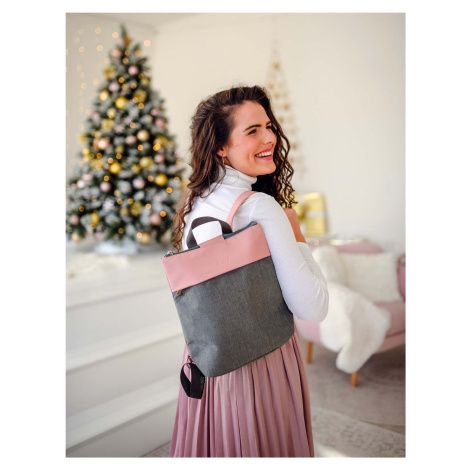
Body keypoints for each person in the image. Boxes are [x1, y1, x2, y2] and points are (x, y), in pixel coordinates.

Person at [168, 85, 329, 457]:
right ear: (221, 146)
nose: (270, 138)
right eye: (253, 130)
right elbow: (313, 308)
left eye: (269, 126)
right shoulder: (260, 206)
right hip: (262, 359)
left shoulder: (197, 202)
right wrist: (298, 235)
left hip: (212, 359)